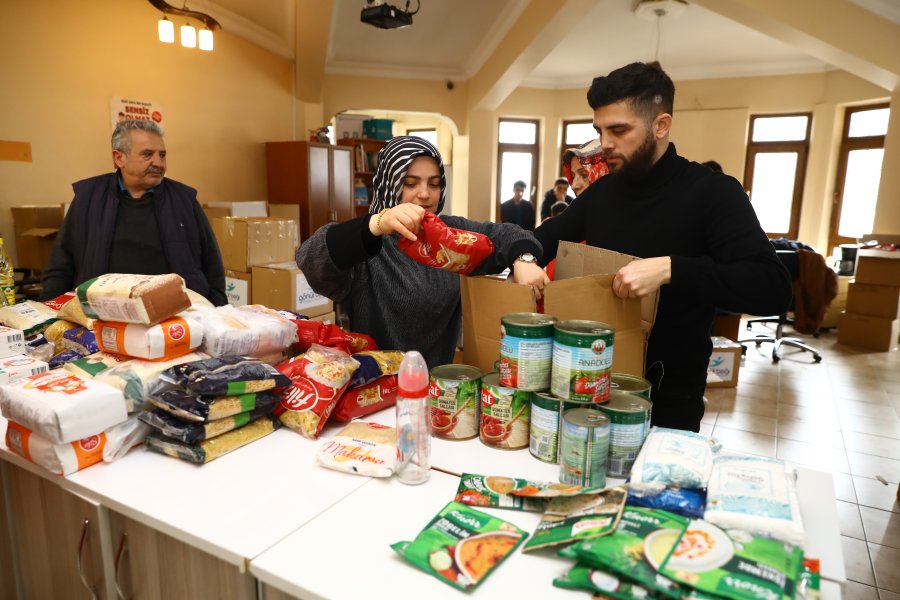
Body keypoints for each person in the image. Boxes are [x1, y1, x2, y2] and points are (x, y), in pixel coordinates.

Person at [534, 62, 791, 432]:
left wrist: (672, 269)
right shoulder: (603, 193)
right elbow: (545, 239)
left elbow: (772, 288)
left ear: (661, 125)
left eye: (619, 130)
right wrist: (524, 255)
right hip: (589, 385)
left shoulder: (713, 193)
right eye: (600, 130)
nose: (605, 143)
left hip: (668, 399)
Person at [296, 136, 548, 368]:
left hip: (439, 387)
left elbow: (508, 234)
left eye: (434, 184)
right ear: (389, 184)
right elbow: (312, 259)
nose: (425, 194)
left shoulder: (452, 233)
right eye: (410, 183)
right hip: (376, 390)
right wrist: (376, 223)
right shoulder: (370, 243)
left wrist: (524, 259)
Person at [40, 120, 226, 305]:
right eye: (148, 154)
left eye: (162, 155)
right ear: (119, 158)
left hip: (176, 315)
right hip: (103, 313)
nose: (158, 162)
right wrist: (49, 314)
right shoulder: (88, 198)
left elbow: (212, 265)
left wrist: (220, 311)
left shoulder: (184, 200)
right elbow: (60, 265)